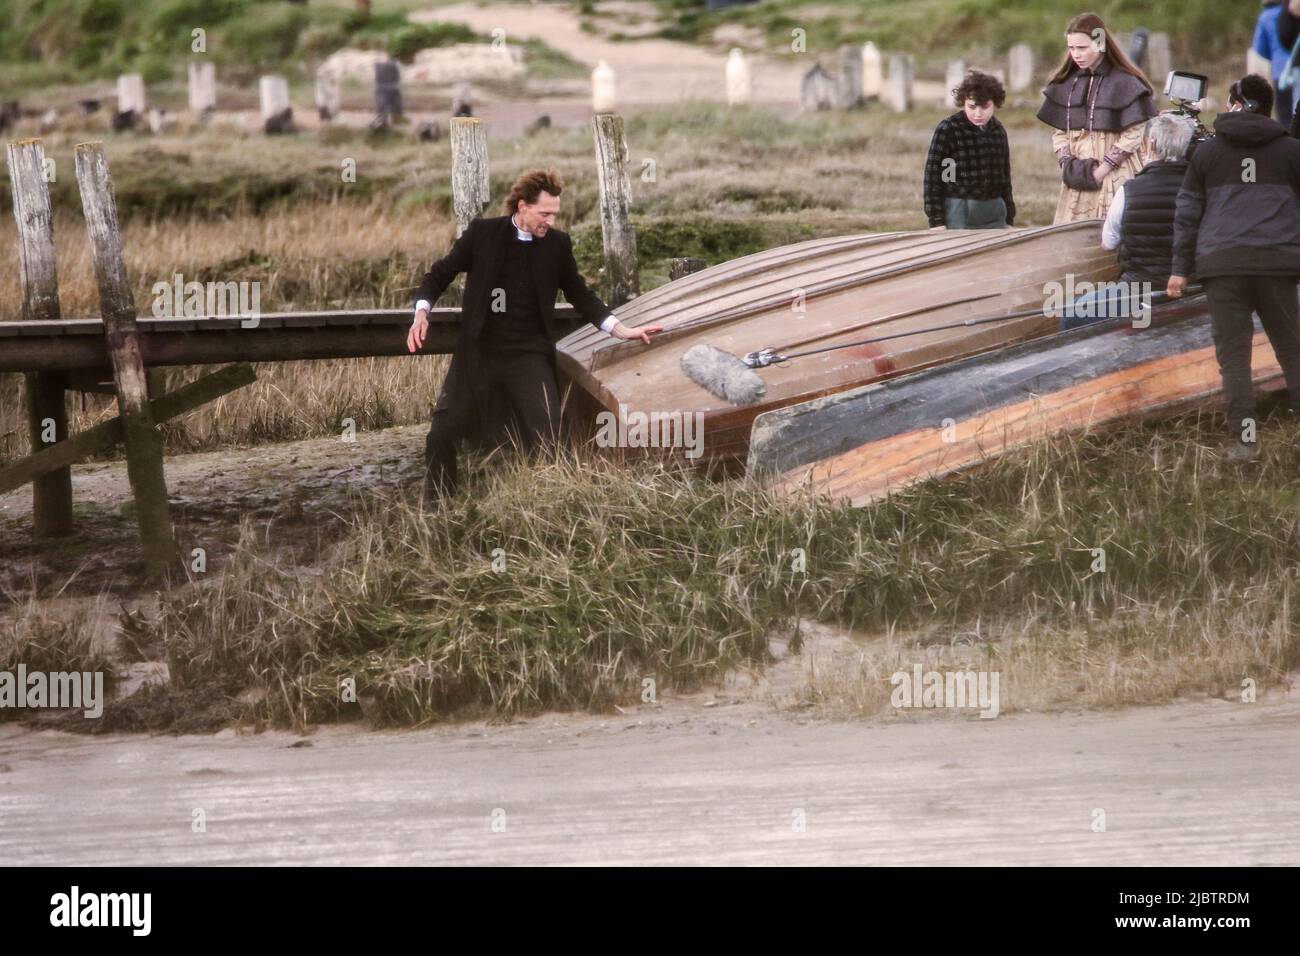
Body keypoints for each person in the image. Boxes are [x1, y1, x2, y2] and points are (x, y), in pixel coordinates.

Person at [407, 168, 661, 499]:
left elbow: (580, 294)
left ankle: (548, 500)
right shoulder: (483, 234)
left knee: (550, 435)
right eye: (545, 214)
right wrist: (421, 312)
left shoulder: (557, 245)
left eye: (555, 214)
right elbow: (440, 273)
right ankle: (439, 504)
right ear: (522, 206)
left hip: (528, 357)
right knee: (441, 432)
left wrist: (621, 329)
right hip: (478, 354)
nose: (551, 221)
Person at [1168, 75, 1300, 461]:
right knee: (1292, 351)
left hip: (1222, 265)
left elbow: (1187, 215)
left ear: (1237, 104)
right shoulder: (1293, 151)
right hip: (1277, 264)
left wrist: (1179, 269)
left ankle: (1245, 441)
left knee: (1235, 358)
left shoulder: (1206, 153)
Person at [1059, 113, 1194, 329]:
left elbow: (1108, 243)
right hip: (1191, 289)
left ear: (1151, 145)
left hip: (1138, 292)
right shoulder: (1201, 190)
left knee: (1072, 313)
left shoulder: (1128, 191)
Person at [1037, 12, 1158, 224]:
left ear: (1100, 42)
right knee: (1073, 236)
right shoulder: (1068, 83)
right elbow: (1060, 132)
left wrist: (1101, 172)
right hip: (1076, 178)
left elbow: (1134, 134)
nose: (1076, 54)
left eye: (1082, 48)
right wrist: (1068, 165)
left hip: (1115, 176)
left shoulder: (1125, 82)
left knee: (1112, 232)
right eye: (1071, 48)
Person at [922, 70, 1015, 230]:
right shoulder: (949, 130)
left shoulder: (998, 130)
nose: (978, 113)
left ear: (995, 104)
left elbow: (1004, 176)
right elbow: (934, 177)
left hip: (995, 209)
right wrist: (936, 220)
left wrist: (1009, 216)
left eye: (985, 107)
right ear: (963, 102)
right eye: (971, 107)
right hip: (960, 209)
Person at [1253, 1, 1296, 128]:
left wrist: (1274, 56)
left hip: (1280, 73)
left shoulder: (1264, 17)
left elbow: (1260, 48)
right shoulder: (1292, 11)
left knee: (1285, 117)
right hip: (1297, 68)